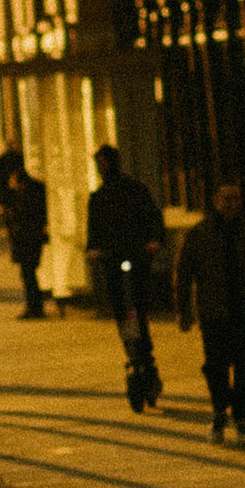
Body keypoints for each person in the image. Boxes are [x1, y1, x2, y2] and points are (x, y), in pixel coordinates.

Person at [175, 181, 245, 443]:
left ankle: (243, 420)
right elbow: (183, 275)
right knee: (216, 368)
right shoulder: (199, 234)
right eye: (225, 198)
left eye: (235, 198)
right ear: (215, 200)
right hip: (214, 314)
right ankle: (219, 412)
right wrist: (183, 312)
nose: (230, 203)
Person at [84, 143, 166, 410]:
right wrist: (93, 250)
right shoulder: (98, 197)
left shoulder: (134, 190)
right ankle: (134, 355)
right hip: (114, 261)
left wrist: (154, 241)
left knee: (137, 309)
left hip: (136, 257)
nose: (102, 168)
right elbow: (93, 230)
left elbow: (153, 218)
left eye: (104, 162)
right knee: (123, 311)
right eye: (99, 163)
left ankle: (144, 356)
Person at [0, 149, 51, 318]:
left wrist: (12, 212)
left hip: (27, 237)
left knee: (28, 272)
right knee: (27, 272)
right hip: (28, 236)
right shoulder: (28, 188)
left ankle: (35, 307)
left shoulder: (27, 189)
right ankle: (34, 305)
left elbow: (26, 214)